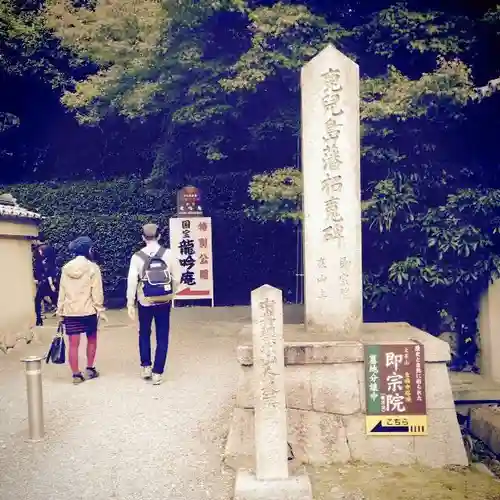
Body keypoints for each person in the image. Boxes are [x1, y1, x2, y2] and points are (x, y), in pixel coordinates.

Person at [126, 223, 180, 385]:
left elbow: (131, 282)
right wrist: (171, 292)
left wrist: (130, 303)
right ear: (159, 236)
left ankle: (146, 367)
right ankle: (158, 372)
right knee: (162, 335)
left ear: (142, 237)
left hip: (145, 300)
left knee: (144, 332)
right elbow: (177, 278)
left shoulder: (137, 257)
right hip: (164, 300)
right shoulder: (169, 254)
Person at [57, 236, 107, 384]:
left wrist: (60, 311)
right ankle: (90, 369)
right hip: (88, 310)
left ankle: (76, 375)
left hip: (70, 311)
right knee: (91, 339)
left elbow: (62, 291)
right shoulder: (93, 268)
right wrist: (100, 309)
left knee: (73, 343)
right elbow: (97, 292)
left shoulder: (66, 268)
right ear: (88, 250)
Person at [33, 242, 59, 326]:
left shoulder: (46, 262)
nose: (39, 252)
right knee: (53, 299)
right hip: (45, 283)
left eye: (41, 251)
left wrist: (51, 284)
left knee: (39, 300)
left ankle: (39, 319)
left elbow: (49, 273)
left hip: (47, 283)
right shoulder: (44, 260)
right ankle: (39, 319)